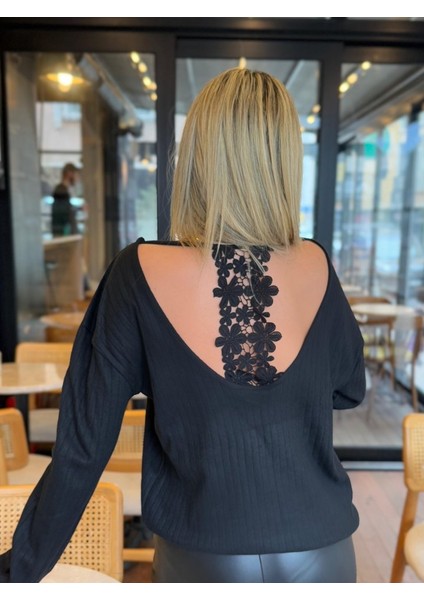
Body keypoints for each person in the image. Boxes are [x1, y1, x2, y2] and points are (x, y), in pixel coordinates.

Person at [0, 68, 365, 583]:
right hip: (325, 551)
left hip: (204, 556)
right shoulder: (316, 264)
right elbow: (349, 388)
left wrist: (18, 573)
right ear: (285, 162)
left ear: (196, 156)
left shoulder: (139, 272)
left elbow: (83, 448)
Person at [51, 162, 80, 236]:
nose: (77, 179)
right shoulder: (60, 191)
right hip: (63, 236)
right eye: (76, 175)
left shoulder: (65, 190)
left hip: (67, 235)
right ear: (69, 174)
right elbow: (62, 213)